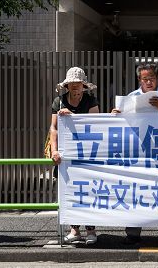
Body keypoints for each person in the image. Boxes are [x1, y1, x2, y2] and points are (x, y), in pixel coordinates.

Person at [112, 62, 158, 245]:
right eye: (145, 79)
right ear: (139, 80)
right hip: (137, 151)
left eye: (152, 78)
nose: (149, 82)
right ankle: (133, 233)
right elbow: (121, 125)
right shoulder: (131, 97)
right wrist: (115, 115)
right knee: (136, 190)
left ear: (157, 78)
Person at [49, 67, 99, 245]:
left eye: (78, 84)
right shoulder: (59, 101)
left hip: (86, 153)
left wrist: (73, 117)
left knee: (89, 190)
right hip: (66, 153)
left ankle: (91, 229)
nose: (75, 88)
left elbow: (94, 124)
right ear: (67, 86)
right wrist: (54, 151)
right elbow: (53, 128)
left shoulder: (91, 100)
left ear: (84, 86)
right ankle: (74, 229)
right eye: (72, 85)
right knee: (69, 190)